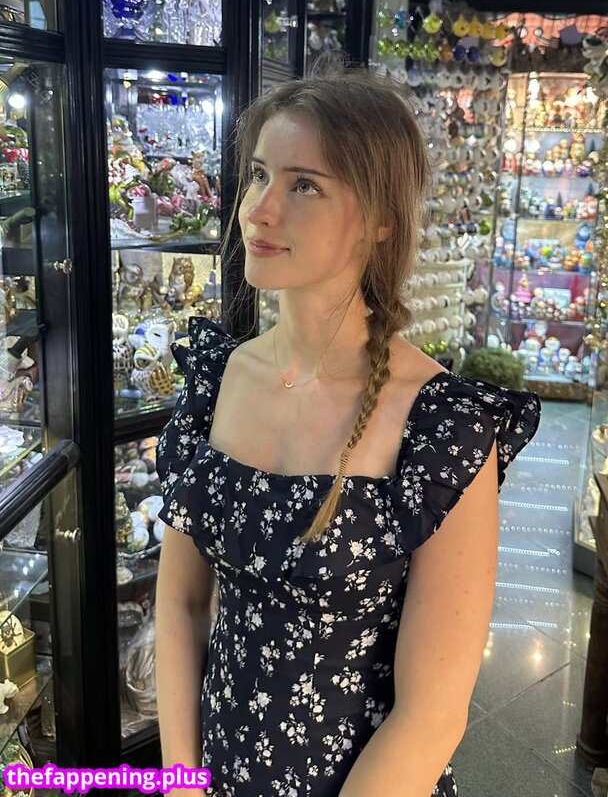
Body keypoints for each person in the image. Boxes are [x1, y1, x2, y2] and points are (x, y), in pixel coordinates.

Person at [155, 66, 541, 797]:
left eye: (305, 185)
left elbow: (432, 713)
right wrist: (181, 779)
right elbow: (182, 603)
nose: (260, 210)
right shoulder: (219, 379)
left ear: (380, 219)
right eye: (259, 175)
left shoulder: (442, 427)